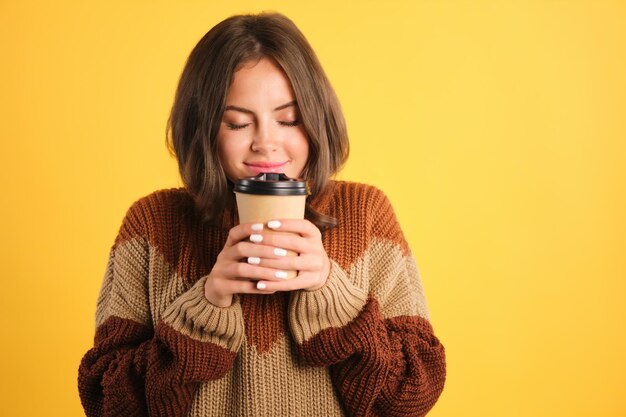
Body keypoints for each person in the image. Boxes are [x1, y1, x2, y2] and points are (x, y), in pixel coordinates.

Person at [78, 12, 446, 417]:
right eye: (237, 124)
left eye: (288, 119)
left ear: (315, 120)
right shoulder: (152, 223)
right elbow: (105, 402)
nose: (266, 143)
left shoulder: (366, 214)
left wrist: (331, 293)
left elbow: (414, 392)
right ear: (204, 130)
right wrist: (205, 305)